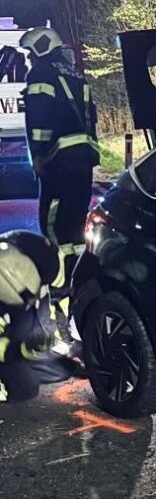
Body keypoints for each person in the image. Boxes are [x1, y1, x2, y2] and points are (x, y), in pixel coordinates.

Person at [19, 27, 100, 320]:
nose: (28, 59)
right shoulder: (76, 74)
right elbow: (92, 115)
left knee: (52, 226)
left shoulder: (40, 74)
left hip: (58, 162)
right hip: (84, 160)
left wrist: (40, 155)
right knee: (77, 226)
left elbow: (38, 120)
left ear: (40, 48)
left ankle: (59, 291)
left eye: (29, 53)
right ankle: (81, 284)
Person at [0, 232, 75, 403]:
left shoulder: (44, 259)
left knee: (62, 368)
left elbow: (60, 294)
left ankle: (33, 351)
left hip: (39, 280)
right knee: (24, 389)